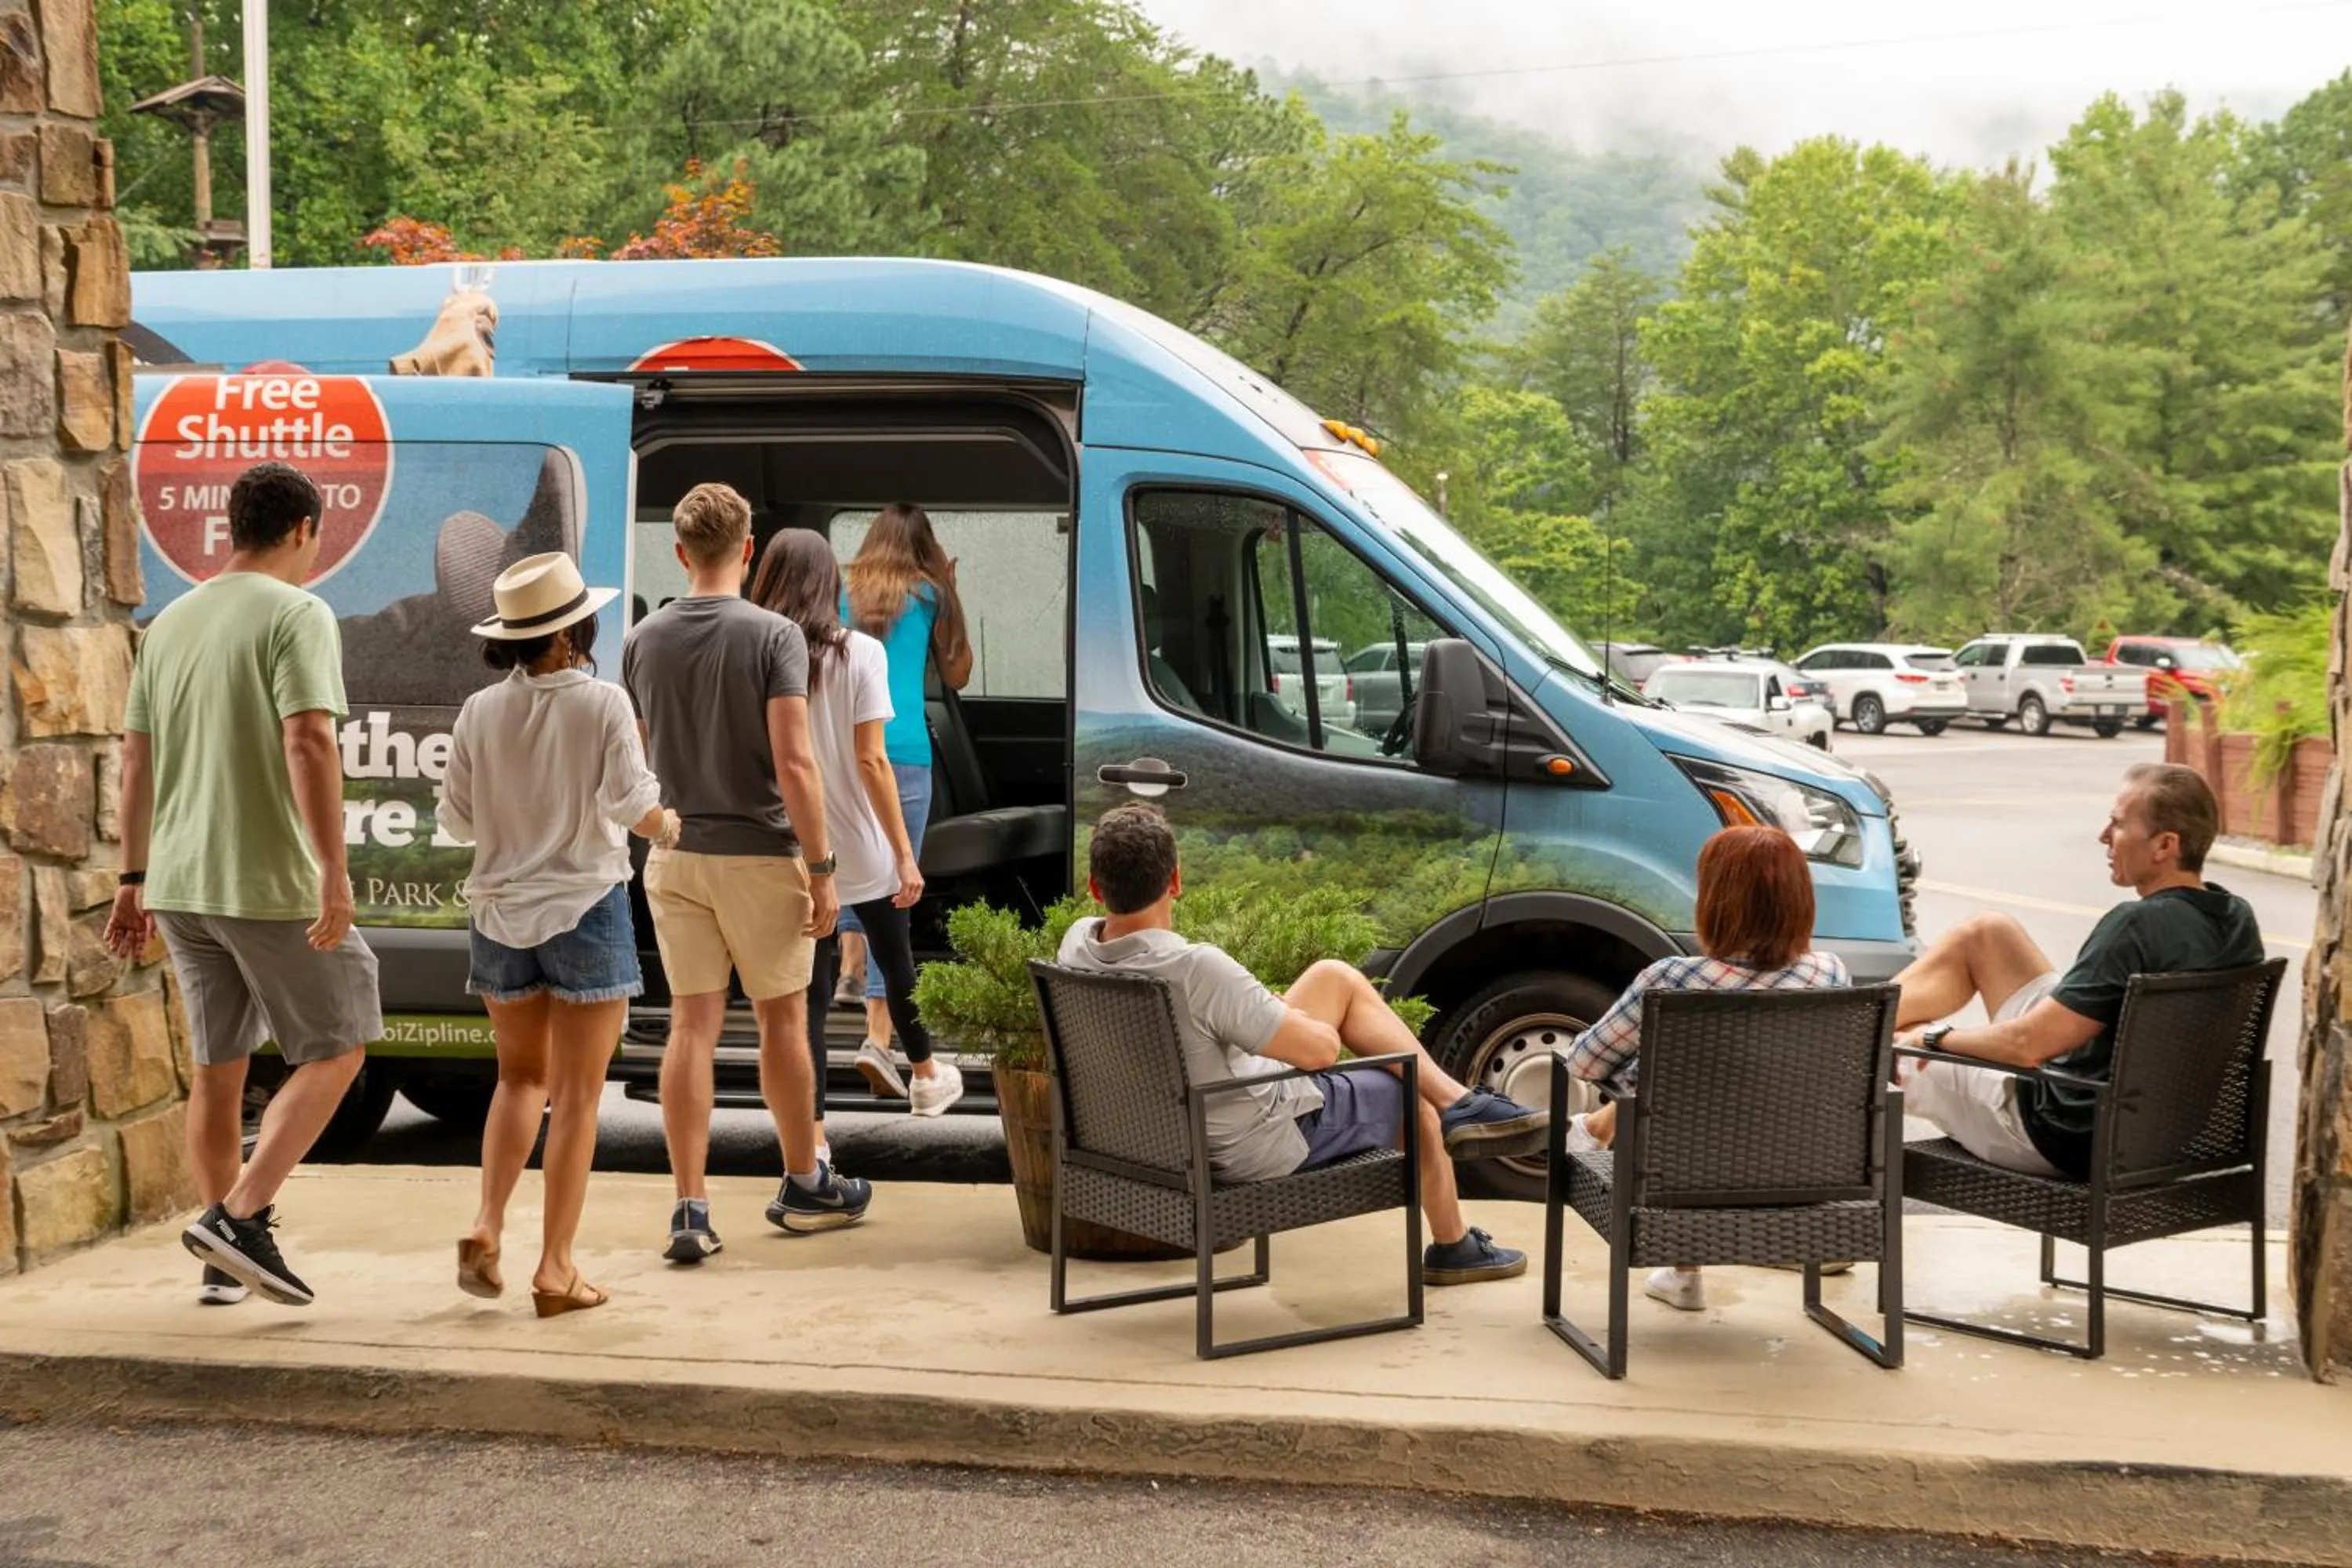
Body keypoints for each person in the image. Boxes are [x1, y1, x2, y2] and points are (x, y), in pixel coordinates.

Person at [104, 462, 384, 1309]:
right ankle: (238, 1216)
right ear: (303, 530)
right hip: (264, 879)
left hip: (180, 883)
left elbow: (136, 760)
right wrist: (334, 869)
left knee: (219, 1070)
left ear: (235, 526)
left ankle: (222, 1260)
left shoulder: (171, 623)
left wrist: (131, 878)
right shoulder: (299, 612)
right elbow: (308, 739)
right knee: (340, 1044)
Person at [1058, 804, 1547, 1286]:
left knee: (1332, 977)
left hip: (1154, 1134)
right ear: (1176, 882)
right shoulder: (1195, 970)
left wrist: (1268, 1016)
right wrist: (1289, 1018)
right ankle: (1454, 1241)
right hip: (1244, 1141)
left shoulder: (1077, 944)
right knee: (1408, 1094)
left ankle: (1461, 1103)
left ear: (1095, 887)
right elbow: (1320, 1055)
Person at [622, 483, 868, 1263]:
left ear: (680, 551)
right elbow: (795, 761)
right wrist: (823, 867)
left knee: (692, 1025)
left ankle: (690, 1207)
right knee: (781, 1022)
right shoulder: (774, 637)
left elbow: (639, 759)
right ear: (749, 547)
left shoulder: (643, 639)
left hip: (675, 853)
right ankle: (804, 1180)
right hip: (761, 855)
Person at [437, 553, 679, 1317]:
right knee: (576, 1097)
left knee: (518, 1080)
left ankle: (486, 1221)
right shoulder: (603, 702)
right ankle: (556, 1268)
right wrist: (669, 825)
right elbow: (636, 805)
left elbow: (456, 820)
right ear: (578, 625)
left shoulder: (480, 710)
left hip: (499, 914)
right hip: (584, 906)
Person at [1891, 762, 2263, 1182]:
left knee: (1895, 1050)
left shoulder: (2136, 926)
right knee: (1988, 933)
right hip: (2160, 1130)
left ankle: (1847, 1038)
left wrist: (1935, 1038)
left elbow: (2026, 1047)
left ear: (2165, 845)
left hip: (2066, 1131)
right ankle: (1859, 1022)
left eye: (2118, 824)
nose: (2104, 836)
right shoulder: (2236, 917)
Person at [1555, 825, 1853, 1313]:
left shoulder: (1672, 979)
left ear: (1717, 902)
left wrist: (1635, 1073)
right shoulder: (1831, 973)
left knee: (1669, 1085)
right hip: (1803, 1178)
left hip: (1684, 1185)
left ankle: (1684, 1268)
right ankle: (1769, 1248)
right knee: (1740, 1080)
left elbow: (1585, 1062)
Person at [751, 532, 964, 1128]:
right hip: (859, 847)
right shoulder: (860, 653)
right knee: (896, 960)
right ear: (832, 586)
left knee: (811, 996)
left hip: (791, 849)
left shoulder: (757, 652)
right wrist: (904, 853)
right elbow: (872, 762)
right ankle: (924, 1076)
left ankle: (813, 1136)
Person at [831, 503, 974, 1102]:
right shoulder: (930, 592)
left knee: (849, 869)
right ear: (926, 547)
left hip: (846, 748)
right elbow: (958, 673)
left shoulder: (841, 590)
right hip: (905, 752)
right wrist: (953, 592)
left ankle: (847, 967)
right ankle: (877, 1037)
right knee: (895, 888)